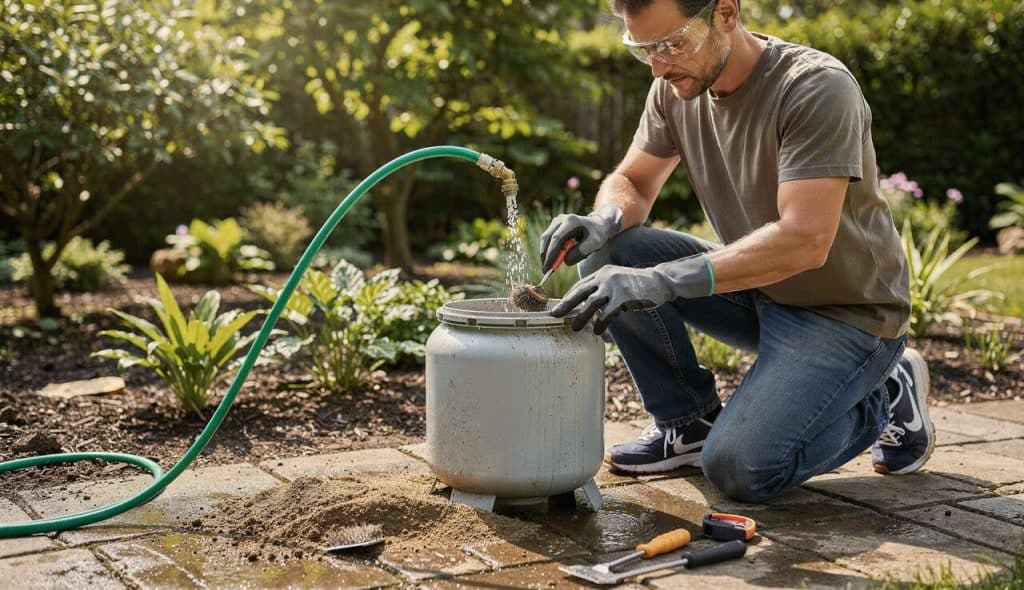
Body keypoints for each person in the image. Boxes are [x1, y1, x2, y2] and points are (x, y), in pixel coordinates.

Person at [539, 0, 934, 503]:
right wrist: (604, 219)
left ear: (726, 13)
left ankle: (882, 393)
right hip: (762, 290)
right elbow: (634, 181)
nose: (659, 65)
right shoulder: (675, 86)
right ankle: (688, 424)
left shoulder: (814, 88)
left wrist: (657, 281)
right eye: (644, 50)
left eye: (672, 43)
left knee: (741, 469)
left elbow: (805, 240)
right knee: (611, 253)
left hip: (848, 315)